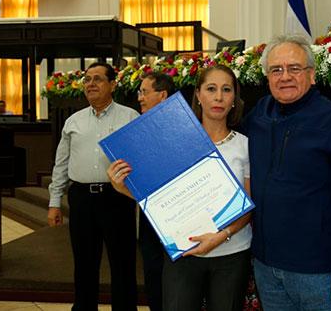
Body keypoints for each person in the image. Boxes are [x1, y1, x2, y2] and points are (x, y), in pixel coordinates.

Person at [242, 34, 331, 310]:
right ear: (267, 77)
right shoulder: (258, 114)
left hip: (320, 274)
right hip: (267, 268)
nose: (284, 76)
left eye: (294, 68)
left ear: (312, 75)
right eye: (276, 70)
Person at [108, 65, 252, 311]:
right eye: (211, 89)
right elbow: (159, 198)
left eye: (226, 90)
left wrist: (220, 236)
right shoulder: (174, 139)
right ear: (198, 94)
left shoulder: (246, 145)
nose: (218, 97)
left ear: (234, 98)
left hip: (232, 253)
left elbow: (249, 205)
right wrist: (121, 186)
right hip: (183, 252)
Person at [47, 62, 140, 311]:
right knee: (84, 263)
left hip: (117, 198)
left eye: (98, 79)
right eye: (87, 79)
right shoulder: (73, 122)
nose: (91, 84)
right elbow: (61, 164)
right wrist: (54, 202)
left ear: (112, 84)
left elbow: (142, 161)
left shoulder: (130, 117)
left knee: (123, 263)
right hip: (81, 199)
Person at [107, 71, 175, 311]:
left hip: (179, 217)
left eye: (145, 92)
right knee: (153, 277)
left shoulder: (182, 129)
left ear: (163, 95)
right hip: (150, 219)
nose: (140, 98)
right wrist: (120, 185)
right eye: (139, 93)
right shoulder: (137, 132)